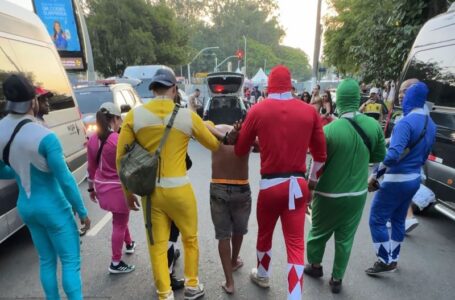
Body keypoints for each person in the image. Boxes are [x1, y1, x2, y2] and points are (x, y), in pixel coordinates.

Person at [116, 67, 220, 300]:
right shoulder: (187, 116)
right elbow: (214, 145)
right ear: (174, 89)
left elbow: (120, 158)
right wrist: (206, 124)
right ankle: (192, 286)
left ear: (153, 89)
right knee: (190, 238)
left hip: (151, 194)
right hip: (180, 191)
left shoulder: (134, 116)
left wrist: (127, 192)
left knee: (157, 244)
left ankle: (165, 294)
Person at [230, 65, 327, 300]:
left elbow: (240, 149)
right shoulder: (309, 111)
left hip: (270, 186)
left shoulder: (258, 110)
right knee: (295, 243)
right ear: (291, 86)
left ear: (268, 86)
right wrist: (312, 184)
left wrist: (253, 141)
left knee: (265, 233)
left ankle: (262, 274)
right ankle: (294, 295)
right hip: (298, 185)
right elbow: (321, 156)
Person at [0, 74, 90, 299]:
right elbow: (66, 179)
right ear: (33, 101)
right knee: (70, 262)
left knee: (46, 260)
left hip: (26, 207)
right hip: (54, 207)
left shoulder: (0, 129)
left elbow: (2, 170)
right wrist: (82, 212)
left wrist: (21, 171)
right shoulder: (44, 136)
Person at [304, 79, 386, 293]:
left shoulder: (330, 130)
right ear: (357, 99)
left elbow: (317, 163)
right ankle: (337, 279)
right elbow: (378, 156)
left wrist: (310, 188)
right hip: (357, 195)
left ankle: (315, 266)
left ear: (339, 100)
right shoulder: (373, 126)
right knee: (345, 239)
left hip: (328, 194)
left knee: (318, 233)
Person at [366, 82, 436, 275]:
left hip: (395, 180)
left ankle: (383, 260)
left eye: (405, 92)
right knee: (398, 220)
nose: (400, 96)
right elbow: (425, 154)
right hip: (414, 180)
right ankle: (393, 259)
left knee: (377, 220)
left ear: (411, 97)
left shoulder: (405, 122)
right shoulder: (431, 123)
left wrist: (375, 174)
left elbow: (392, 155)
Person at [87, 102, 136, 274]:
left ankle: (129, 243)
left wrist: (91, 189)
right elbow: (129, 165)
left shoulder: (92, 139)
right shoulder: (117, 140)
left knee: (119, 218)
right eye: (119, 119)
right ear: (114, 119)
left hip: (102, 187)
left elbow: (91, 167)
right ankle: (115, 262)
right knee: (119, 223)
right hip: (117, 189)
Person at [205, 122, 252, 295]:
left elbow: (202, 124)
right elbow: (262, 146)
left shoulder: (215, 130)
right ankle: (233, 261)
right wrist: (234, 135)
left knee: (223, 236)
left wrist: (223, 135)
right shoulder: (245, 133)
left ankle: (230, 282)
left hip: (219, 187)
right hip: (241, 188)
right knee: (238, 230)